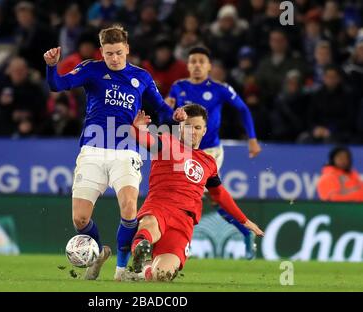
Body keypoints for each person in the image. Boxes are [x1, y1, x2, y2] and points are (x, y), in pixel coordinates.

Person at [43, 25, 186, 281]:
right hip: (92, 150)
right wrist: (52, 66)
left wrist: (175, 117)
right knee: (80, 219)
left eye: (119, 53)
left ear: (127, 49)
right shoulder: (91, 69)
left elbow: (162, 110)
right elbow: (58, 84)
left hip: (126, 150)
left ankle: (121, 270)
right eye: (109, 53)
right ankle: (97, 255)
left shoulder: (141, 77)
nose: (114, 58)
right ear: (102, 52)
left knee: (129, 208)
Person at [125, 104, 264, 281]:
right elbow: (142, 138)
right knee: (150, 225)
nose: (193, 131)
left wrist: (245, 221)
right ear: (180, 128)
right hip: (160, 207)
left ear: (204, 131)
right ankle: (139, 249)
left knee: (162, 275)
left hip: (184, 221)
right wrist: (135, 128)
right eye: (188, 127)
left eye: (197, 127)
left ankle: (142, 271)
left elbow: (220, 194)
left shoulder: (208, 162)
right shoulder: (167, 142)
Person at [166, 47, 262, 259]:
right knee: (203, 197)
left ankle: (182, 243)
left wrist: (252, 138)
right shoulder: (178, 87)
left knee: (192, 193)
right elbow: (168, 113)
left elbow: (243, 109)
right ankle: (244, 231)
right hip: (183, 150)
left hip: (209, 152)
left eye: (202, 61)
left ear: (209, 66)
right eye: (193, 61)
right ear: (188, 65)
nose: (197, 65)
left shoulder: (220, 89)